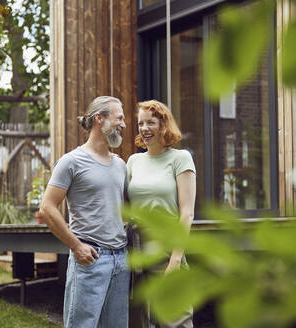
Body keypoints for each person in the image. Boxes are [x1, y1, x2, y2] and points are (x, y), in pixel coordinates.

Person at [38, 96, 130, 328]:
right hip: (91, 258)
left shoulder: (120, 164)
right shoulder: (71, 161)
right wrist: (76, 246)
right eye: (119, 118)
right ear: (99, 119)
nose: (124, 124)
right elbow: (47, 208)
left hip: (121, 259)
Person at [127, 100, 196, 328]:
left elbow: (187, 213)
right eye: (140, 124)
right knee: (136, 320)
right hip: (135, 247)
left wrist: (176, 258)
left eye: (150, 122)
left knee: (176, 319)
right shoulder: (134, 161)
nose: (144, 128)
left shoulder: (180, 158)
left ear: (163, 124)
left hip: (167, 246)